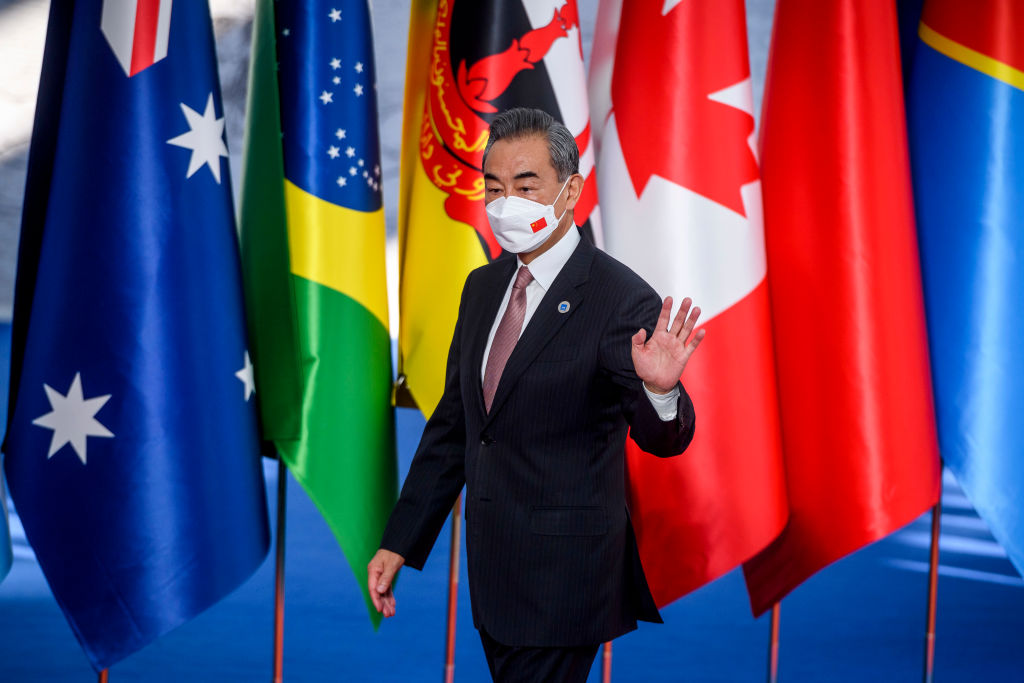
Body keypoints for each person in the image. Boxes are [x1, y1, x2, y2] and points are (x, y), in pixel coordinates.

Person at [367, 107, 704, 682]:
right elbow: (457, 426)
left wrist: (659, 388)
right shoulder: (482, 287)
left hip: (566, 580)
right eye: (494, 188)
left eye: (526, 187)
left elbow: (664, 439)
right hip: (493, 574)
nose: (506, 204)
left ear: (570, 190)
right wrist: (401, 540)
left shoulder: (619, 299)